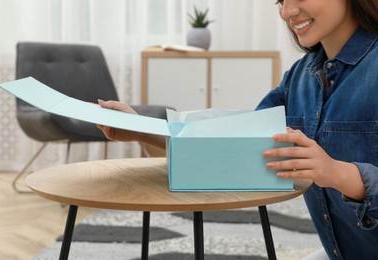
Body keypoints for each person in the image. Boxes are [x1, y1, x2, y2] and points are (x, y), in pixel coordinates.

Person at [97, 0, 378, 258]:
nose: (287, 12)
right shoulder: (299, 77)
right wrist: (139, 129)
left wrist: (338, 173)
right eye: (280, 1)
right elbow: (238, 141)